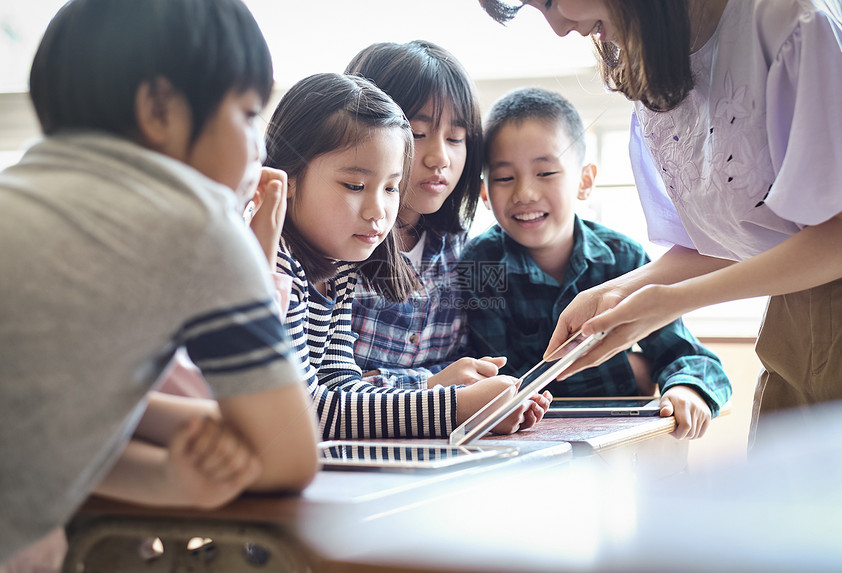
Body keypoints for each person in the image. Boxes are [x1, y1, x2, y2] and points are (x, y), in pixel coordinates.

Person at [0, 0, 320, 563]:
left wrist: (168, 477)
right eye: (247, 115)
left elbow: (33, 431)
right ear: (160, 108)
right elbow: (286, 455)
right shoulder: (194, 221)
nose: (260, 149)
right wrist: (206, 438)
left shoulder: (19, 193)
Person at [478, 0, 842, 443]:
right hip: (790, 335)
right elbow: (746, 234)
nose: (560, 27)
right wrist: (624, 290)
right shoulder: (657, 62)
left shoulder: (791, 19)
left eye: (548, 0)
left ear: (585, 180)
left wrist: (668, 304)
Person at [264, 72, 551, 440]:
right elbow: (304, 412)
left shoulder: (339, 268)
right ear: (286, 179)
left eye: (391, 188)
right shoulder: (274, 263)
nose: (377, 211)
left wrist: (469, 403)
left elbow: (342, 387)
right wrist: (456, 409)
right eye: (355, 186)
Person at [462, 87, 731, 439]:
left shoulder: (624, 258)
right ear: (484, 192)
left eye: (545, 173)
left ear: (584, 181)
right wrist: (635, 371)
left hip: (619, 441)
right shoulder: (481, 265)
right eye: (504, 178)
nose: (524, 193)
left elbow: (688, 356)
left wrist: (686, 389)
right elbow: (503, 386)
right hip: (526, 446)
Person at [345, 40, 505, 390]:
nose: (440, 158)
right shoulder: (337, 250)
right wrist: (429, 383)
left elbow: (468, 361)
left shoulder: (461, 250)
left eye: (456, 137)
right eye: (418, 134)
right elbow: (323, 389)